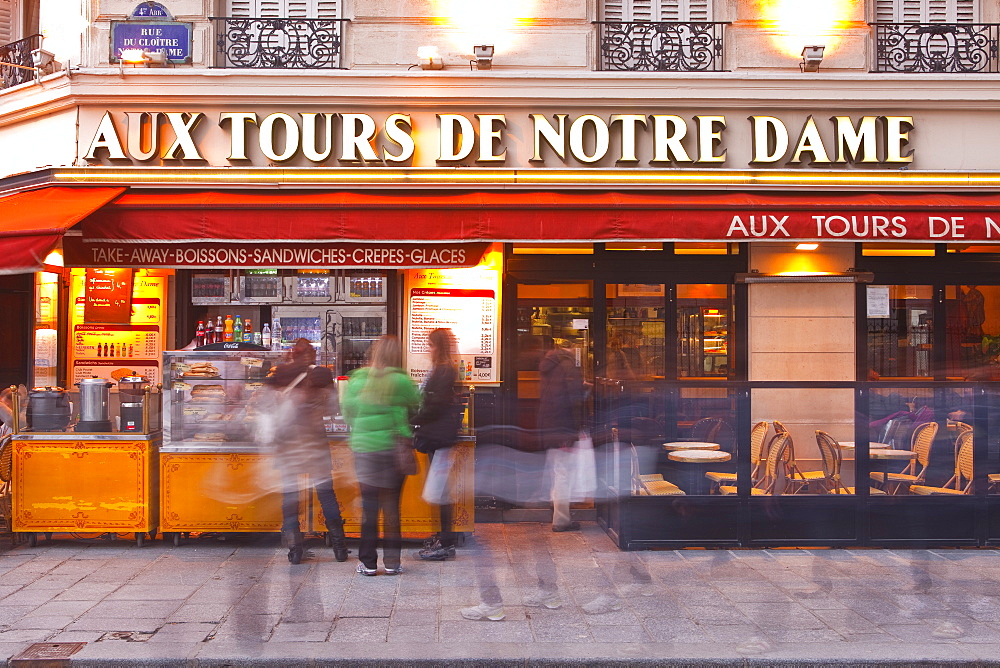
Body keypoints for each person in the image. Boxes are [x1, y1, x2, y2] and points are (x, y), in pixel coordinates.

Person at [263, 339, 348, 565]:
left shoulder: (280, 372)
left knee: (290, 497)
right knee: (326, 493)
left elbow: (264, 405)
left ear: (292, 354)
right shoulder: (322, 374)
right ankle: (340, 547)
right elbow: (334, 408)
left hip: (288, 444)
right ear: (313, 355)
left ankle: (295, 550)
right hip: (315, 443)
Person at [342, 335, 420, 576]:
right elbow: (417, 406)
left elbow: (347, 413)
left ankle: (367, 562)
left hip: (365, 450)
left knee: (370, 508)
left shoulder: (357, 380)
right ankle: (393, 563)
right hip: (392, 451)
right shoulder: (401, 380)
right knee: (391, 508)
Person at [413, 328, 464, 561]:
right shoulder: (443, 369)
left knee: (441, 490)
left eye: (431, 345)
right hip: (439, 436)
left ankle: (446, 541)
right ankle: (444, 536)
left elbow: (435, 406)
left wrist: (413, 420)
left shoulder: (444, 371)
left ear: (439, 347)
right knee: (439, 488)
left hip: (440, 437)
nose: (428, 349)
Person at [537, 337, 587, 532]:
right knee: (563, 473)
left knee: (557, 470)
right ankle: (561, 520)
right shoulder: (568, 365)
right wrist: (576, 428)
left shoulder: (548, 364)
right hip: (563, 425)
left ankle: (558, 511)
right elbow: (573, 400)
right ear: (573, 348)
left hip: (549, 423)